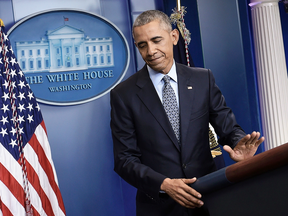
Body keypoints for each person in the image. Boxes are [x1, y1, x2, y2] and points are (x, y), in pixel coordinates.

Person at [110, 10, 264, 216]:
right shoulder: (123, 94)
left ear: (174, 37)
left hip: (210, 200)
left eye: (157, 40)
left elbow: (228, 127)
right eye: (142, 45)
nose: (151, 51)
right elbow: (124, 159)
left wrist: (238, 143)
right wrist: (164, 184)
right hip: (160, 207)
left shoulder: (203, 79)